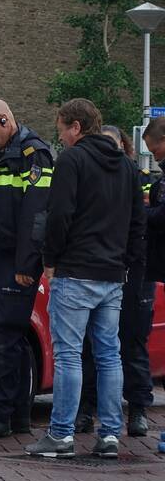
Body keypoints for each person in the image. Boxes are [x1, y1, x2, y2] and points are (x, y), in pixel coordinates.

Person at [26, 99, 144, 459]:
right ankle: (109, 435)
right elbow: (137, 222)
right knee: (109, 355)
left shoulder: (71, 161)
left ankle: (61, 435)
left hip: (75, 271)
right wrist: (124, 262)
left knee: (69, 356)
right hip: (112, 274)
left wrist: (50, 259)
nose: (61, 137)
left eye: (62, 129)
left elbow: (59, 214)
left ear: (76, 127)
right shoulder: (127, 166)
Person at [0, 98, 54, 440]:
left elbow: (37, 215)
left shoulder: (33, 156)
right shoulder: (2, 154)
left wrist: (26, 263)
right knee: (9, 337)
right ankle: (17, 415)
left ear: (5, 120)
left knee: (5, 336)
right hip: (1, 255)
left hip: (16, 259)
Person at [75, 125, 155, 437]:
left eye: (114, 144)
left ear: (124, 146)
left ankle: (137, 409)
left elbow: (142, 222)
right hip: (102, 268)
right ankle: (85, 409)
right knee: (90, 345)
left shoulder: (137, 177)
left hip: (132, 271)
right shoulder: (90, 177)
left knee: (132, 340)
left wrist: (132, 261)